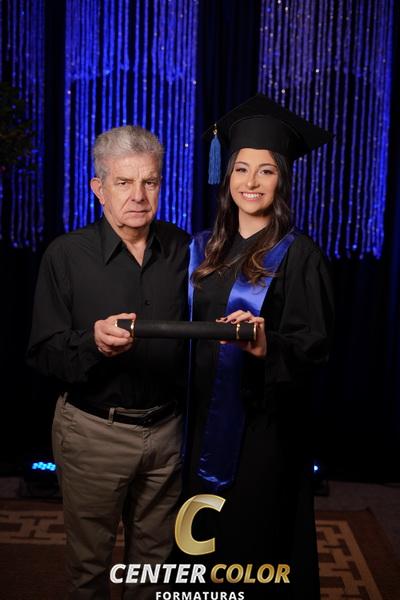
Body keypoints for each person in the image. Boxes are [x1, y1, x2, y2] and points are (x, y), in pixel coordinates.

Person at [27, 125, 190, 599]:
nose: (138, 195)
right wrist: (92, 343)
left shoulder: (184, 250)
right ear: (98, 188)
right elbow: (43, 352)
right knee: (90, 565)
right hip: (93, 432)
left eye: (150, 182)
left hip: (167, 431)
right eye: (123, 182)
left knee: (154, 565)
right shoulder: (66, 255)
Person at [183, 94, 335, 599]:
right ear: (226, 175)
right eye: (241, 169)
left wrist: (269, 345)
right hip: (198, 422)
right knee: (197, 545)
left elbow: (315, 345)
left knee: (251, 546)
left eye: (266, 171)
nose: (251, 182)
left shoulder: (300, 255)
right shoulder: (201, 249)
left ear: (281, 179)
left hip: (263, 427)